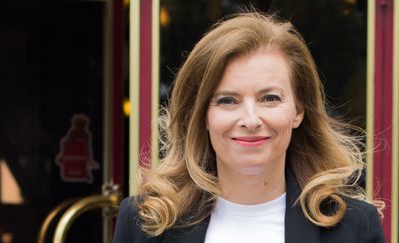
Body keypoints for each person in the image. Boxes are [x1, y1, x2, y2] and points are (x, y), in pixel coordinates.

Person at [113, 12, 385, 243]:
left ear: (298, 111)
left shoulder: (353, 227)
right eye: (227, 100)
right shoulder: (144, 224)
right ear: (202, 116)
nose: (251, 120)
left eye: (269, 98)